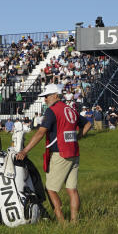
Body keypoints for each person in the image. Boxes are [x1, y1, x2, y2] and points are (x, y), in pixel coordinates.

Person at [16, 84, 92, 224]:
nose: (45, 99)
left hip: (60, 153)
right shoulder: (70, 109)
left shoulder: (52, 111)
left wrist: (25, 151)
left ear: (55, 95)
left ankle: (62, 223)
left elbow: (40, 132)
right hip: (74, 152)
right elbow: (87, 124)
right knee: (72, 189)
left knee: (50, 189)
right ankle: (74, 222)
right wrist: (79, 136)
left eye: (47, 96)